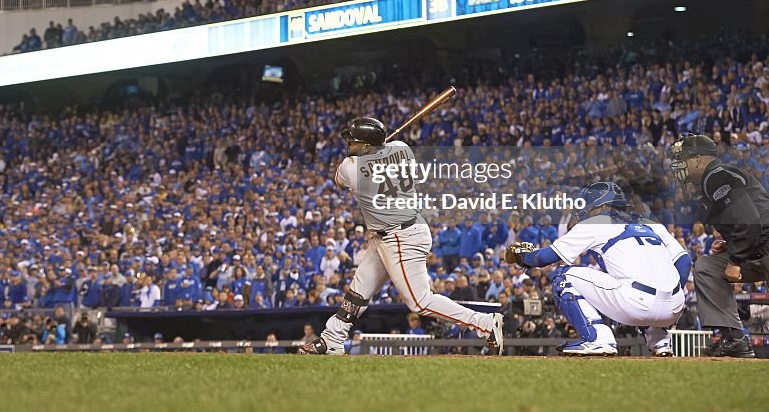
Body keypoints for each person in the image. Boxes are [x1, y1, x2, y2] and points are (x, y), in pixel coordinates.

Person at [300, 116, 503, 355]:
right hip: (394, 232)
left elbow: (338, 179)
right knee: (359, 288)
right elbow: (388, 154)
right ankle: (332, 338)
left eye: (353, 142)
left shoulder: (350, 168)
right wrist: (380, 154)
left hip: (401, 237)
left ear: (366, 146)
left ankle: (486, 324)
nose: (349, 146)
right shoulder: (402, 148)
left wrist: (375, 157)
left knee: (419, 302)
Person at [506, 182, 690, 356]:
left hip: (636, 305)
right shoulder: (651, 223)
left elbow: (545, 257)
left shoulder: (598, 222)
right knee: (642, 282)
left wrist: (523, 257)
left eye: (589, 205)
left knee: (563, 276)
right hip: (673, 308)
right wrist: (668, 295)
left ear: (602, 206)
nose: (585, 210)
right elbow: (684, 261)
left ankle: (597, 338)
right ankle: (659, 340)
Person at [669, 134, 769, 358]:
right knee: (707, 267)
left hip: (763, 245)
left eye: (682, 159)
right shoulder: (709, 182)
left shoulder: (717, 175)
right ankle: (735, 340)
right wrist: (731, 244)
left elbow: (750, 220)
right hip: (756, 247)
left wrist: (735, 260)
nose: (679, 165)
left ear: (697, 160)